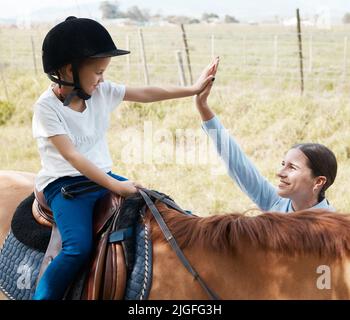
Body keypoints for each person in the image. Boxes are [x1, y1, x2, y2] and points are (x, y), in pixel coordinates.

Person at [31, 16, 216, 300]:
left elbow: (145, 93)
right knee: (77, 247)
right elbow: (72, 156)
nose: (103, 78)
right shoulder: (46, 108)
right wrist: (116, 186)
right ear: (69, 70)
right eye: (98, 71)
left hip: (102, 177)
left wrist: (191, 89)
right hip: (66, 187)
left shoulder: (100, 92)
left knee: (157, 202)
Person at [195, 57, 337, 213]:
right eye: (283, 164)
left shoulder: (334, 231)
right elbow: (237, 163)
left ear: (318, 182)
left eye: (292, 167)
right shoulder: (276, 202)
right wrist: (202, 106)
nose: (280, 173)